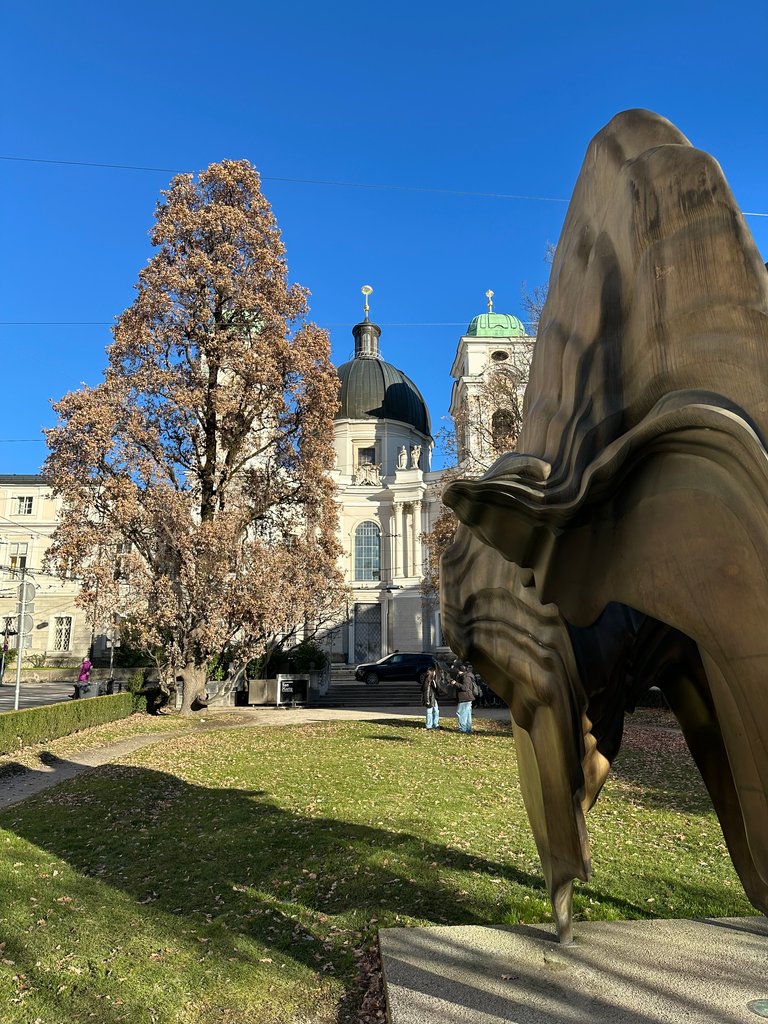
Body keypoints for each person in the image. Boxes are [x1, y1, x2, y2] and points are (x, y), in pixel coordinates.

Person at [451, 662, 475, 733]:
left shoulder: (466, 677)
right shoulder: (466, 675)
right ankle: (468, 729)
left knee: (461, 713)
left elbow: (465, 688)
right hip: (466, 697)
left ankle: (463, 729)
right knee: (467, 714)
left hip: (465, 697)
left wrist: (455, 683)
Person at [421, 664, 440, 730]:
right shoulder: (427, 680)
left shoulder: (433, 679)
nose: (435, 673)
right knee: (429, 712)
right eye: (434, 672)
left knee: (436, 711)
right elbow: (426, 691)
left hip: (434, 698)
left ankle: (436, 724)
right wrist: (427, 701)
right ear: (432, 673)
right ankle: (429, 725)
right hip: (429, 698)